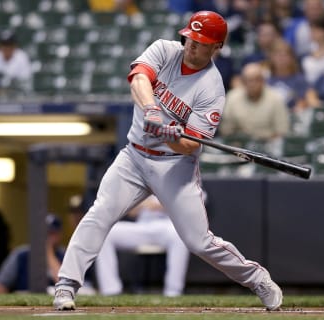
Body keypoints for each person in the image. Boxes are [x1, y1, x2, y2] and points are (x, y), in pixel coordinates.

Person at [53, 11, 283, 312]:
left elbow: (189, 145)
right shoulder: (165, 49)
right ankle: (66, 285)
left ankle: (257, 278)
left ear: (217, 47)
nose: (191, 45)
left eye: (200, 42)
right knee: (99, 213)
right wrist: (152, 111)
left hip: (174, 165)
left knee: (199, 241)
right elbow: (138, 78)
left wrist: (170, 135)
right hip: (133, 157)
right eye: (190, 37)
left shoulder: (212, 88)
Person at [95, 195, 190, 297]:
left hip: (169, 226)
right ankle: (110, 290)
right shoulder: (141, 179)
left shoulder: (184, 179)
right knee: (106, 233)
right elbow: (131, 212)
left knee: (180, 235)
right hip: (142, 226)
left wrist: (162, 204)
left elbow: (191, 203)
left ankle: (173, 292)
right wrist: (143, 204)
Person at [0, 213, 64, 293]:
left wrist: (49, 253)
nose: (47, 237)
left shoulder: (65, 255)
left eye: (52, 233)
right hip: (25, 300)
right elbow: (0, 284)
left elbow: (63, 283)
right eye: (44, 233)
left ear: (60, 235)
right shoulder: (21, 255)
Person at [220, 63, 290, 141]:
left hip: (268, 146)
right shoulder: (232, 97)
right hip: (239, 146)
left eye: (256, 80)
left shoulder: (276, 99)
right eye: (248, 80)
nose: (252, 84)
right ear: (243, 82)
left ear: (263, 81)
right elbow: (226, 131)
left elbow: (281, 132)